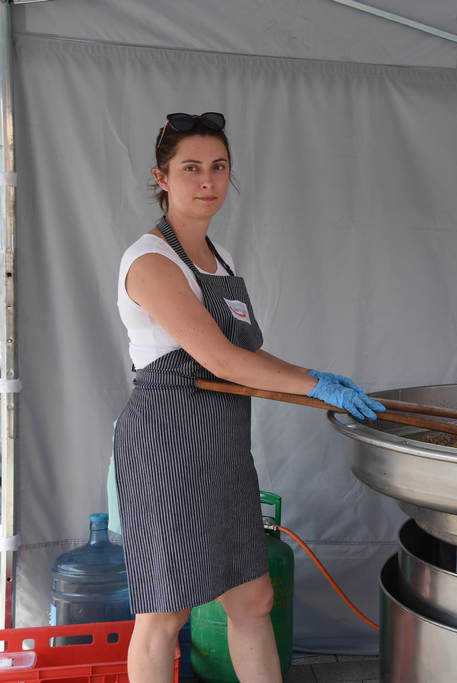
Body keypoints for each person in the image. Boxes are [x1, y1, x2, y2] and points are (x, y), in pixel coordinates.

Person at [113, 112, 385, 682]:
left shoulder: (221, 259)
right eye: (191, 169)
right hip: (166, 445)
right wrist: (313, 386)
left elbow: (248, 358)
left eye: (218, 167)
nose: (207, 181)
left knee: (252, 599)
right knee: (164, 612)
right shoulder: (150, 262)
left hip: (224, 446)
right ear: (161, 178)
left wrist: (314, 372)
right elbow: (219, 359)